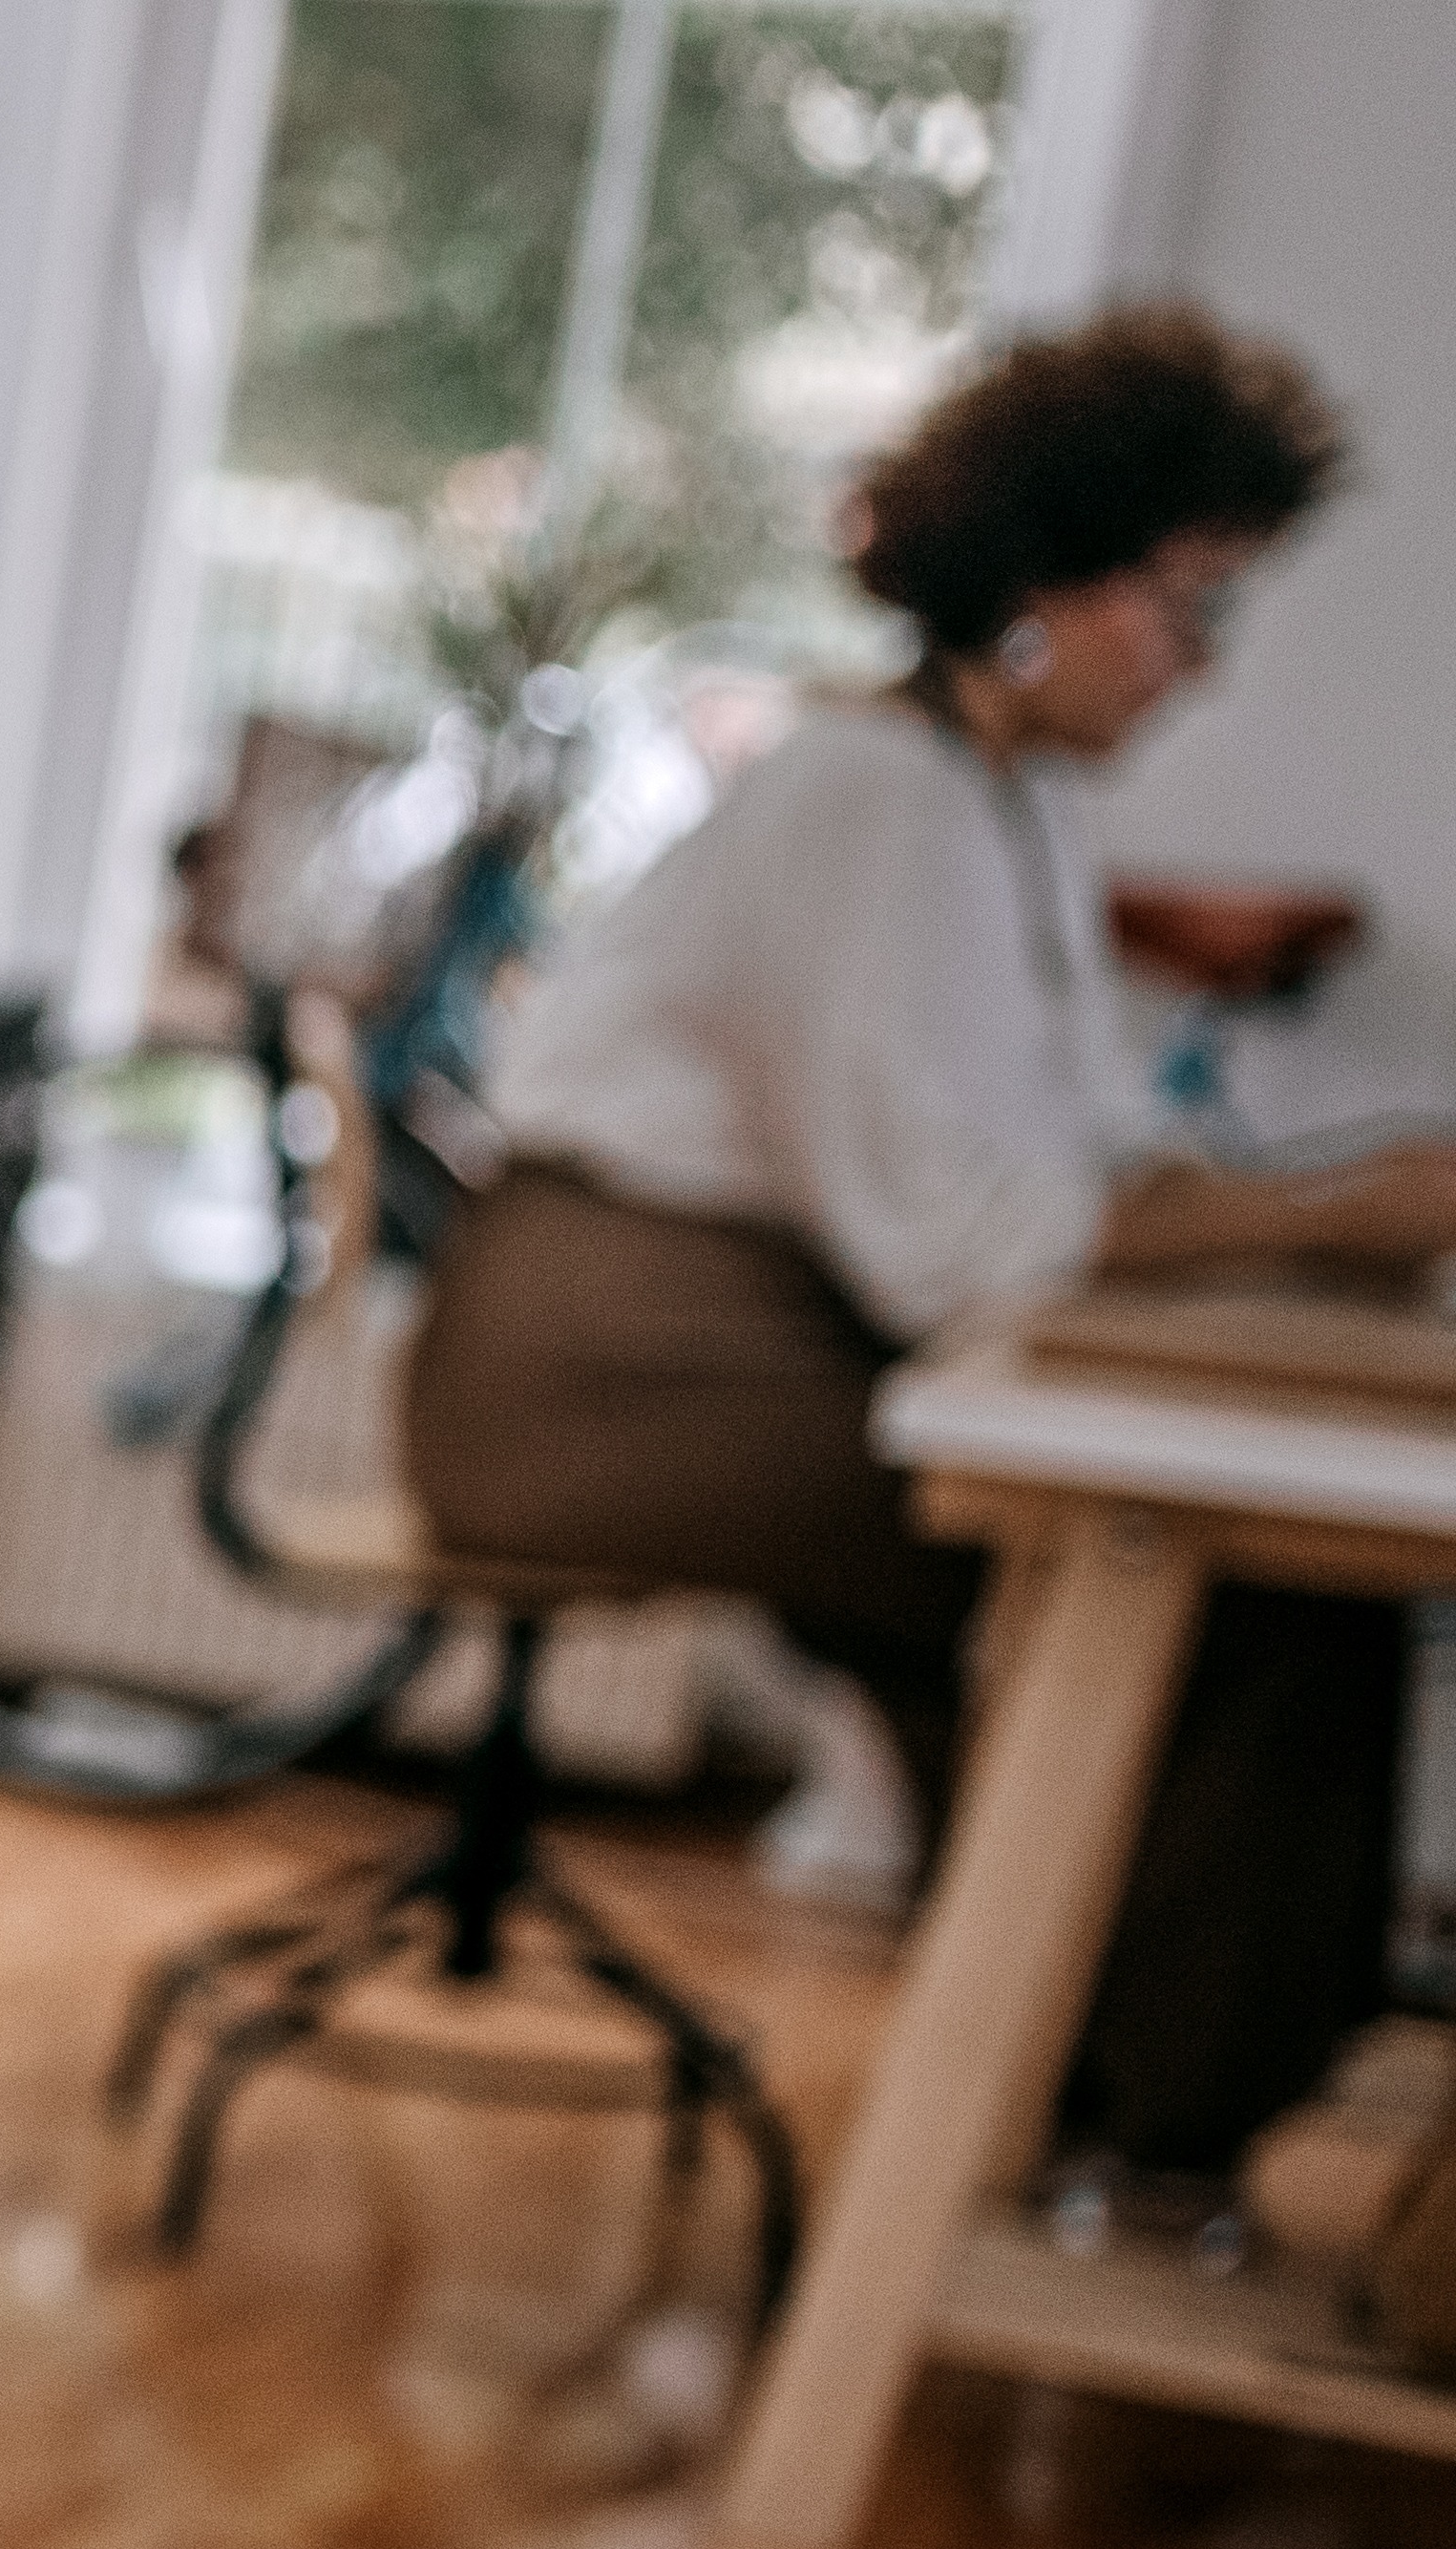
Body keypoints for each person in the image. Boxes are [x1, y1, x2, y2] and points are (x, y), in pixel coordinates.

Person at [413, 305, 1453, 2189]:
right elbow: (974, 1252)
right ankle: (1143, 2128)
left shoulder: (1010, 810)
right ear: (1050, 579)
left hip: (746, 1345)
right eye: (1190, 607)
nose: (1203, 670)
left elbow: (1088, 1163)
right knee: (1194, 1570)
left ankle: (1085, 2086)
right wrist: (1337, 1210)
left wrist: (1309, 1213)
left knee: (1202, 1574)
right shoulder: (870, 798)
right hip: (602, 1375)